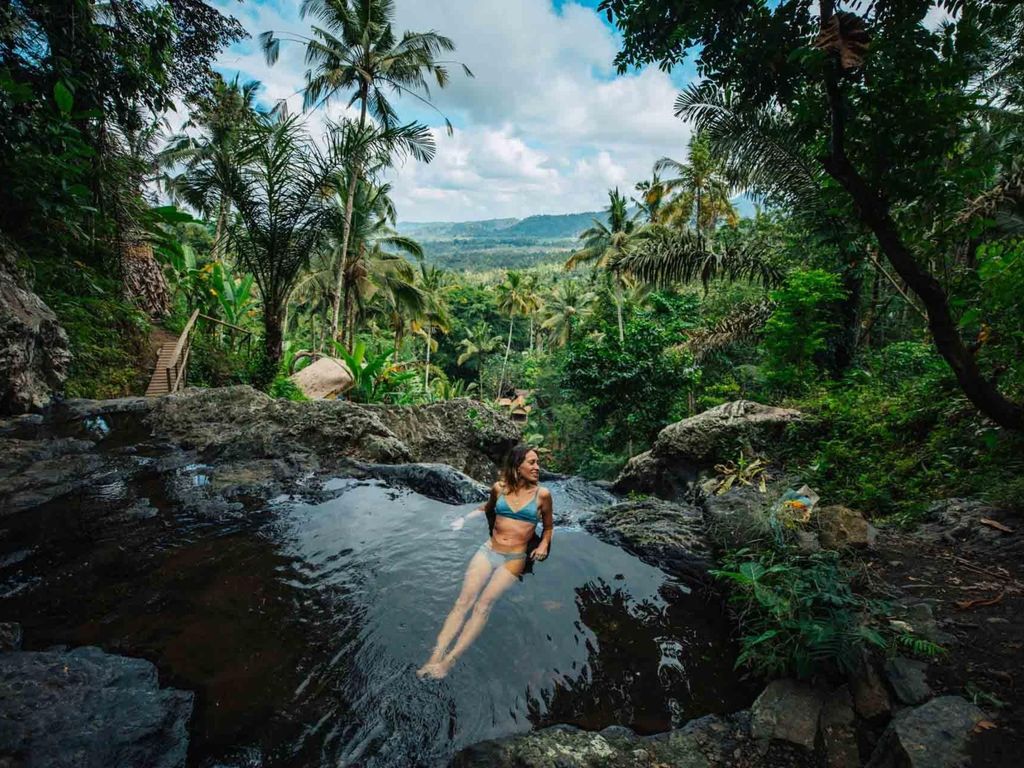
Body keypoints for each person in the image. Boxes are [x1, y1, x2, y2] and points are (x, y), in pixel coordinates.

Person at [417, 444, 553, 680]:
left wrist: (543, 544)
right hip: (488, 549)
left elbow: (549, 527)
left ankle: (448, 662)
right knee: (463, 602)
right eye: (532, 462)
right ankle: (434, 657)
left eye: (537, 463)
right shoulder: (499, 488)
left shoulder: (542, 495)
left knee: (483, 605)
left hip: (514, 558)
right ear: (517, 465)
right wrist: (463, 519)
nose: (537, 467)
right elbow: (486, 509)